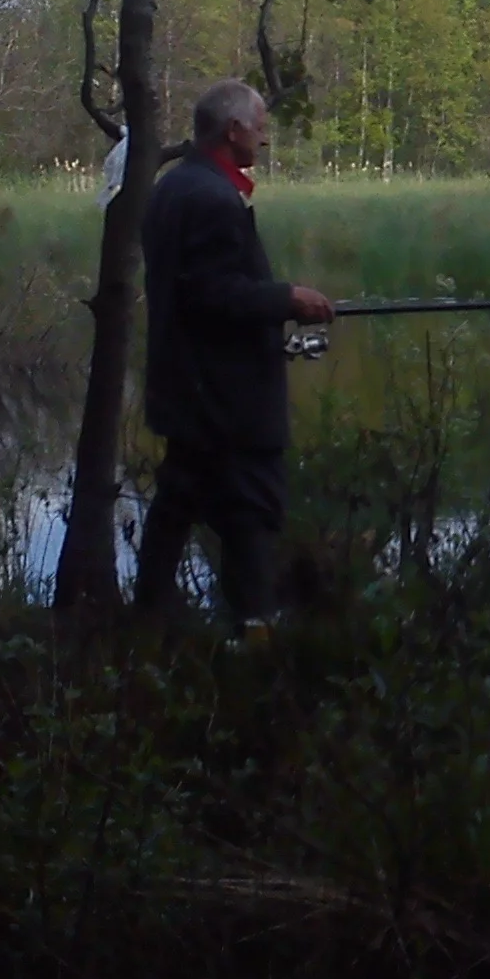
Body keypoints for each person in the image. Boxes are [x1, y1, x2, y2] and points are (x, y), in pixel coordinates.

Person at [134, 79, 335, 630]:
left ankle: (146, 625)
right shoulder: (211, 199)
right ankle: (255, 641)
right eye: (261, 127)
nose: (265, 138)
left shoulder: (174, 188)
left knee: (176, 503)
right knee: (251, 518)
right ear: (234, 129)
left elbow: (194, 291)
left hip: (189, 393)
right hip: (229, 405)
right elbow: (212, 294)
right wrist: (288, 298)